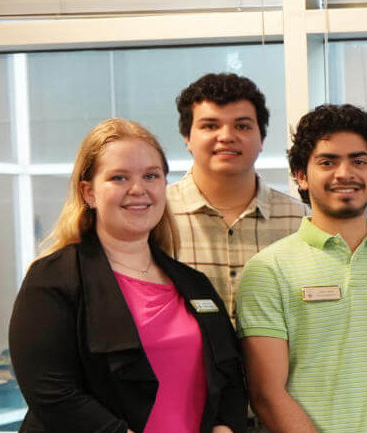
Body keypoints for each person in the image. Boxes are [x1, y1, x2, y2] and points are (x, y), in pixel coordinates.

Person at [10, 118, 245, 433]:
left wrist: (224, 427)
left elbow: (227, 373)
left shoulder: (193, 284)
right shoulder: (53, 279)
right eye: (119, 177)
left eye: (151, 175)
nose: (139, 189)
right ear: (88, 192)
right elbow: (52, 392)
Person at [237, 104, 367, 432]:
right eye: (327, 162)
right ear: (301, 175)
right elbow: (267, 393)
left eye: (359, 161)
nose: (345, 173)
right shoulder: (267, 270)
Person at [168, 73, 307, 323]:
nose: (226, 136)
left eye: (242, 126)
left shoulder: (301, 220)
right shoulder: (157, 215)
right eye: (210, 126)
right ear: (187, 137)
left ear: (262, 139)